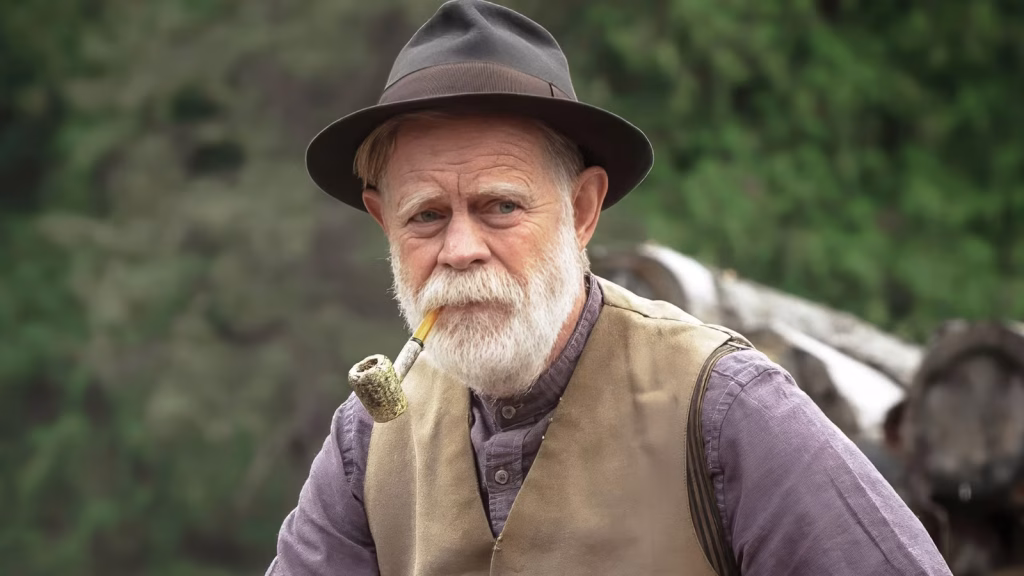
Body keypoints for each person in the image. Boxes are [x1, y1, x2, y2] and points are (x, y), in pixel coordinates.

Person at [267, 1, 951, 574]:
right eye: (426, 216)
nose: (461, 250)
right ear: (385, 223)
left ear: (584, 209)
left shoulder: (721, 407)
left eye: (500, 206)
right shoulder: (370, 440)